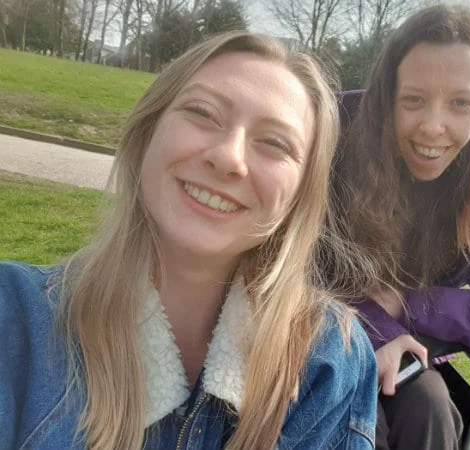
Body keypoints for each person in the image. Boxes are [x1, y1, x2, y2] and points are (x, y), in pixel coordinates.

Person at [0, 32, 377, 450]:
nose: (229, 156)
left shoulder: (330, 360)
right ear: (147, 133)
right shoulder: (13, 317)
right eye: (203, 113)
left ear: (300, 196)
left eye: (274, 143)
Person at [330, 4, 470, 449]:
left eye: (460, 103)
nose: (433, 128)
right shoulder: (336, 143)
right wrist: (380, 326)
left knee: (429, 401)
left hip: (411, 357)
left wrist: (417, 304)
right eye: (413, 99)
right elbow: (290, 262)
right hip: (312, 332)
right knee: (358, 407)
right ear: (388, 94)